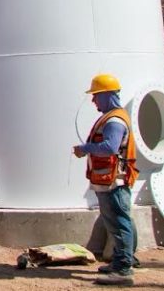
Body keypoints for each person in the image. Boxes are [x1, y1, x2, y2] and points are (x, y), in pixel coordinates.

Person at [73, 74, 140, 286]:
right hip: (109, 181)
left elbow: (110, 147)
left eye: (96, 96)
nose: (94, 100)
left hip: (114, 182)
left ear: (108, 95)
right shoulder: (112, 117)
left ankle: (123, 269)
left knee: (120, 223)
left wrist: (85, 149)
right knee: (117, 222)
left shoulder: (114, 121)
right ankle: (121, 261)